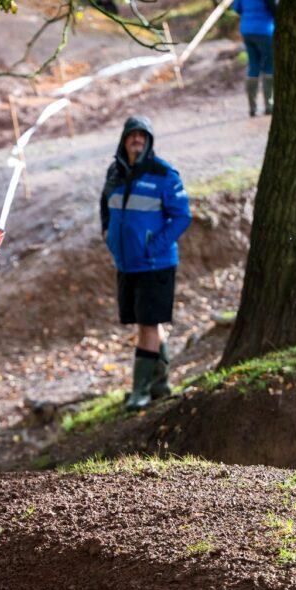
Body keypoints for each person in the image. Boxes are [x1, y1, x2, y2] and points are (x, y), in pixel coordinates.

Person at [99, 116, 192, 412]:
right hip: (127, 264)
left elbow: (182, 216)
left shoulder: (163, 173)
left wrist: (154, 246)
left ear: (149, 141)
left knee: (147, 326)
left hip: (155, 265)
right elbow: (105, 206)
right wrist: (107, 234)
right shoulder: (115, 172)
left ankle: (140, 392)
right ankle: (160, 384)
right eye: (132, 135)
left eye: (143, 135)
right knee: (148, 323)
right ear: (124, 139)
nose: (137, 139)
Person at [232, 0, 277, 116]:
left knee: (253, 66)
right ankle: (269, 106)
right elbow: (275, 8)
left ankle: (252, 107)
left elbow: (236, 8)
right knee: (269, 67)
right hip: (265, 31)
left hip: (247, 30)